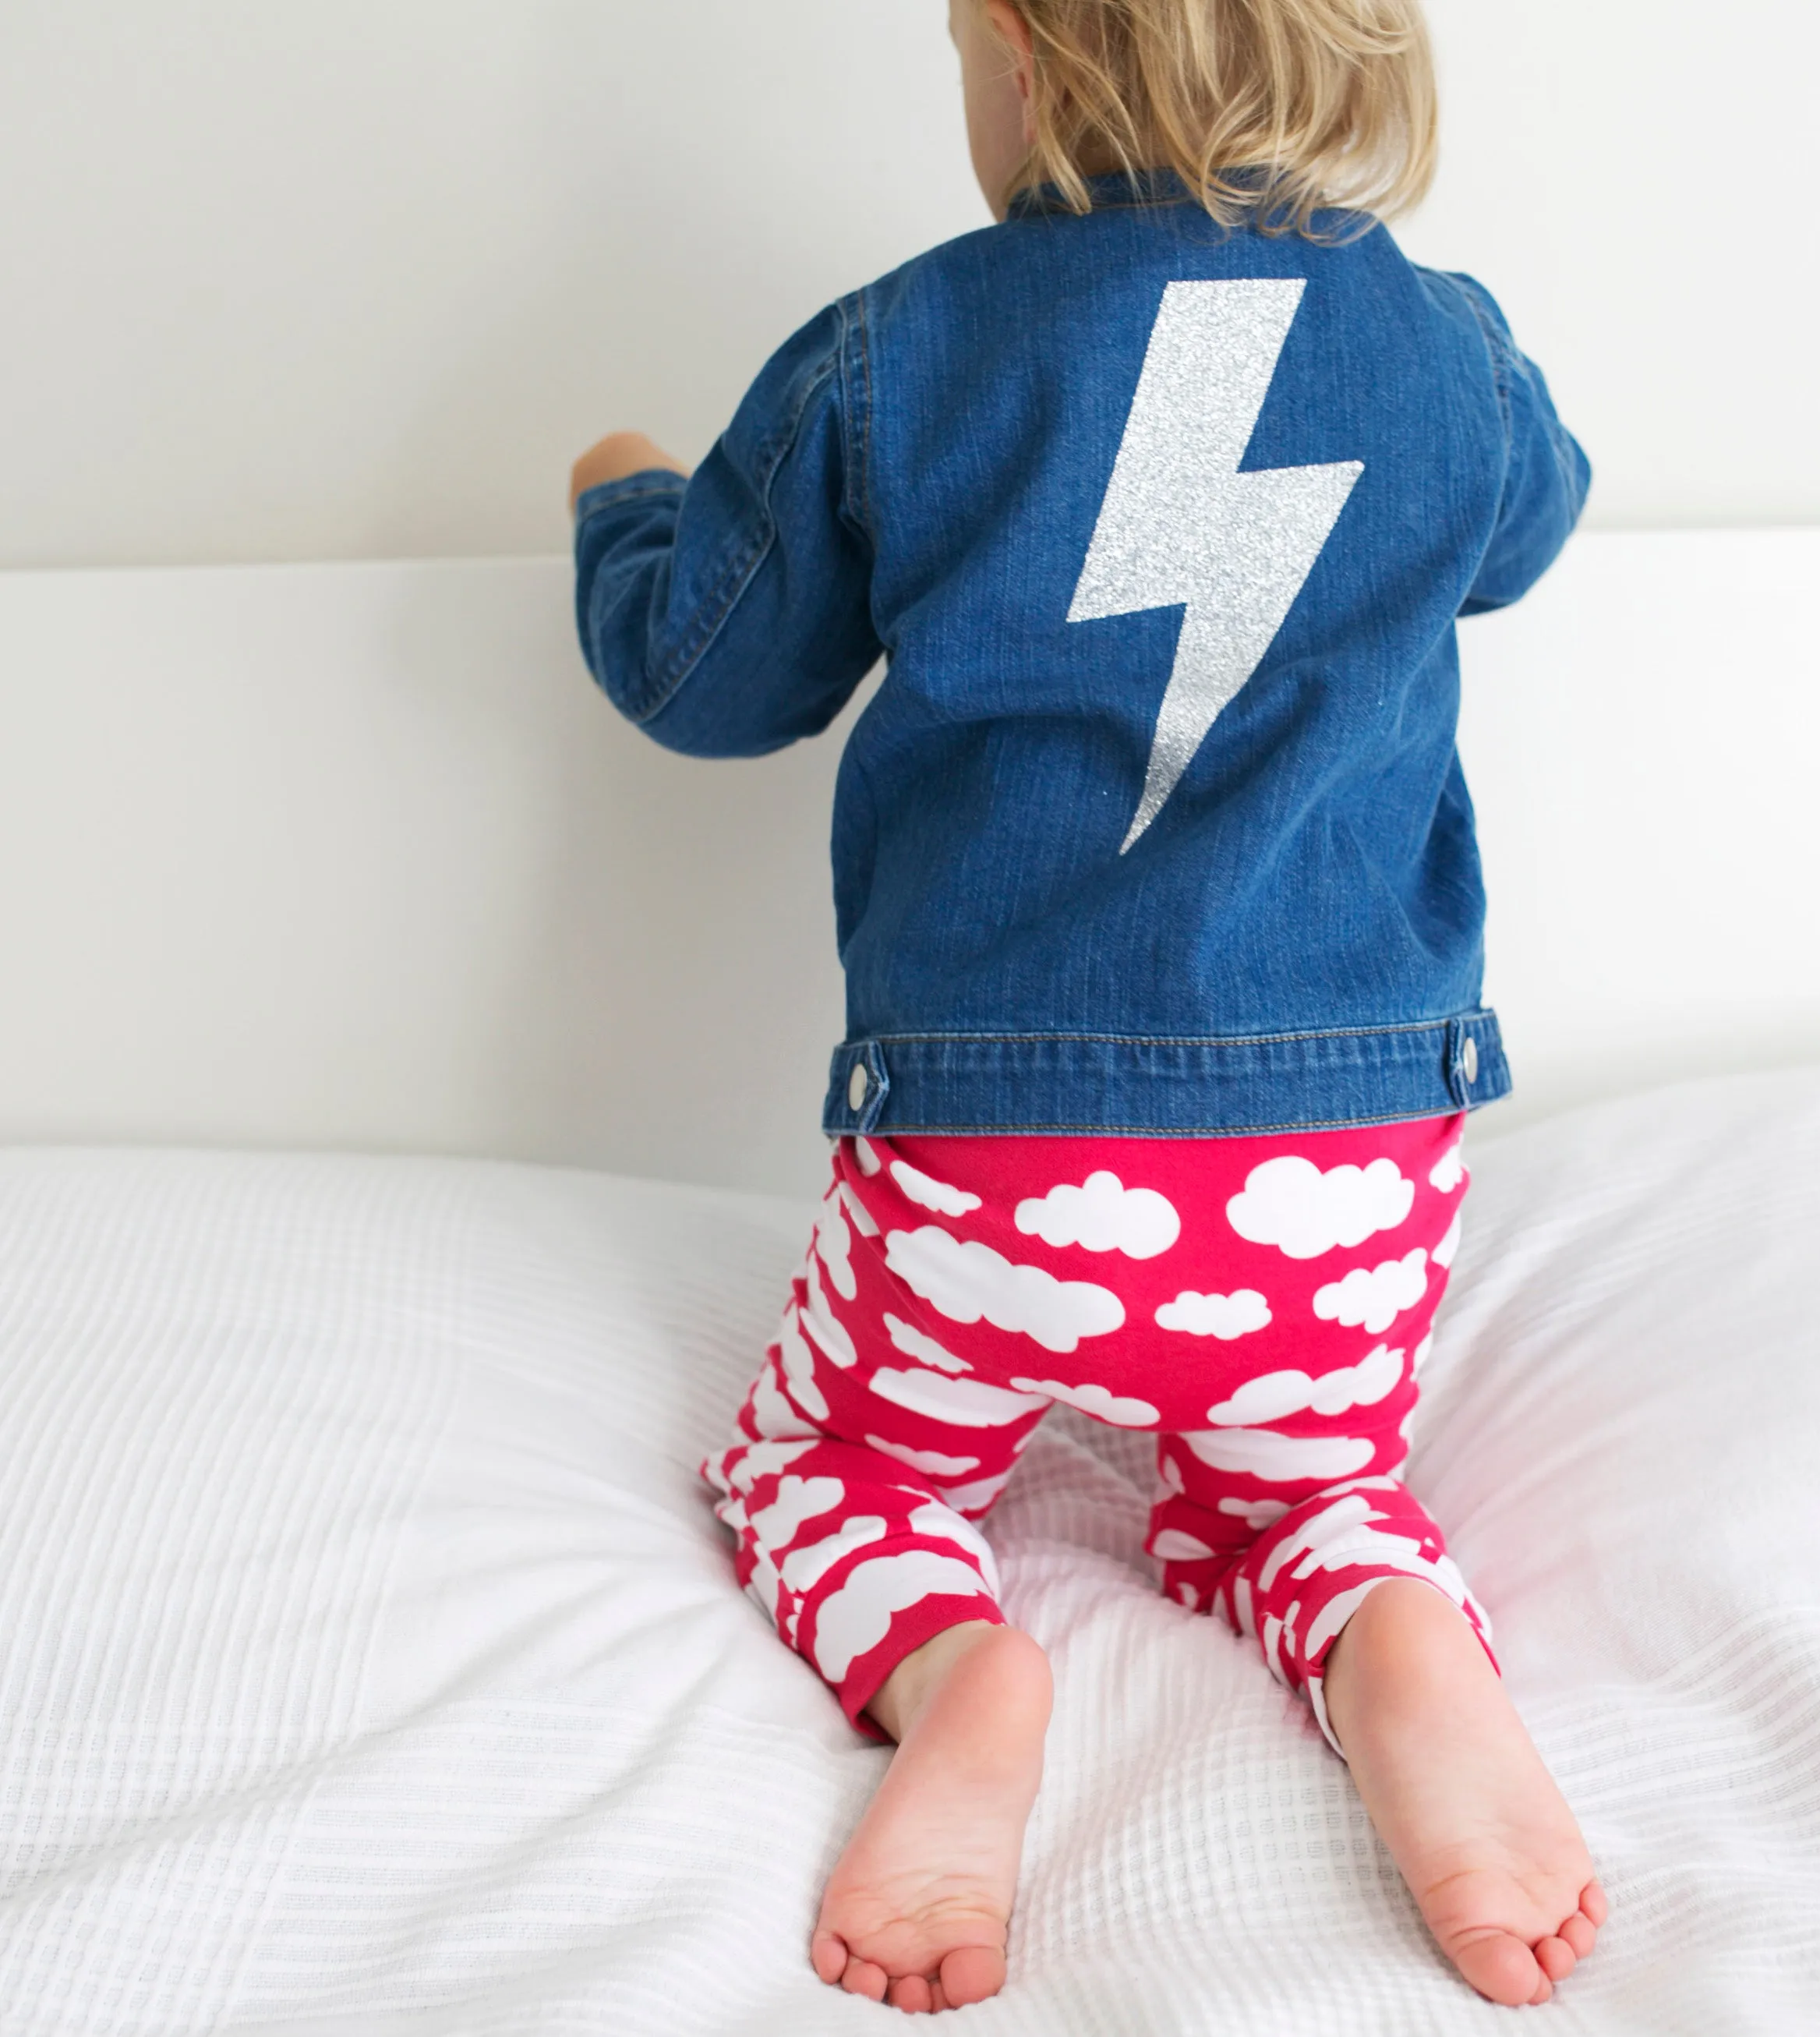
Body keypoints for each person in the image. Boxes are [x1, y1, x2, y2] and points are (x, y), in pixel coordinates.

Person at [570, 0, 1603, 2012]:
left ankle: (965, 1676)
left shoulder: (905, 348)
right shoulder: (1442, 344)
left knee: (830, 1475)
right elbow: (1532, 522)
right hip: (1338, 1187)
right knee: (1298, 1484)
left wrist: (626, 500)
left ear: (1027, 55)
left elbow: (703, 682)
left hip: (991, 1183)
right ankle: (1379, 1617)